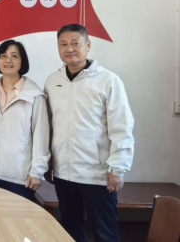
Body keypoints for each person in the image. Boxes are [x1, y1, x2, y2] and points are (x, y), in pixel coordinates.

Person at [45, 23, 135, 242]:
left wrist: (117, 168)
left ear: (88, 45)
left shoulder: (108, 81)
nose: (69, 48)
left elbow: (121, 126)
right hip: (64, 174)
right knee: (70, 232)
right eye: (63, 44)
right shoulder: (52, 81)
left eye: (75, 43)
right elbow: (48, 125)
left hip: (98, 175)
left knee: (105, 234)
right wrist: (48, 163)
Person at [0, 40, 49, 201]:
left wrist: (37, 172)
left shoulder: (34, 95)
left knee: (19, 217)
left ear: (22, 61)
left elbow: (41, 136)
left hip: (20, 176)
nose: (8, 60)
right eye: (3, 56)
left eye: (14, 56)